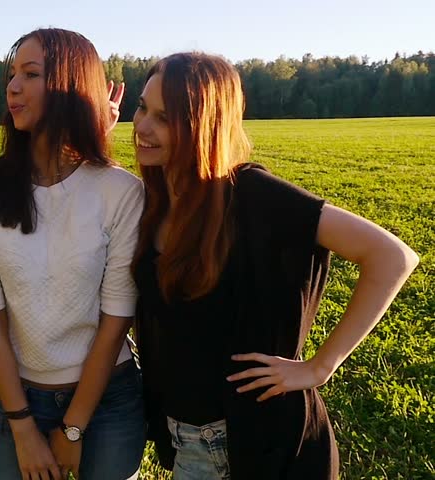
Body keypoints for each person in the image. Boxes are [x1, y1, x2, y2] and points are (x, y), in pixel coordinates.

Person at [131, 52, 420, 479]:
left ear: (203, 124)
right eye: (141, 107)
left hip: (254, 444)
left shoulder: (252, 194)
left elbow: (392, 256)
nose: (142, 127)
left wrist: (320, 367)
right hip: (187, 437)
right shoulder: (158, 200)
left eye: (164, 117)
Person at [0, 28, 146, 480]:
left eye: (31, 74)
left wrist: (74, 428)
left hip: (108, 399)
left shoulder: (119, 190)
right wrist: (22, 426)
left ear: (69, 85)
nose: (13, 87)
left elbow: (116, 318)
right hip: (22, 400)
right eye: (12, 75)